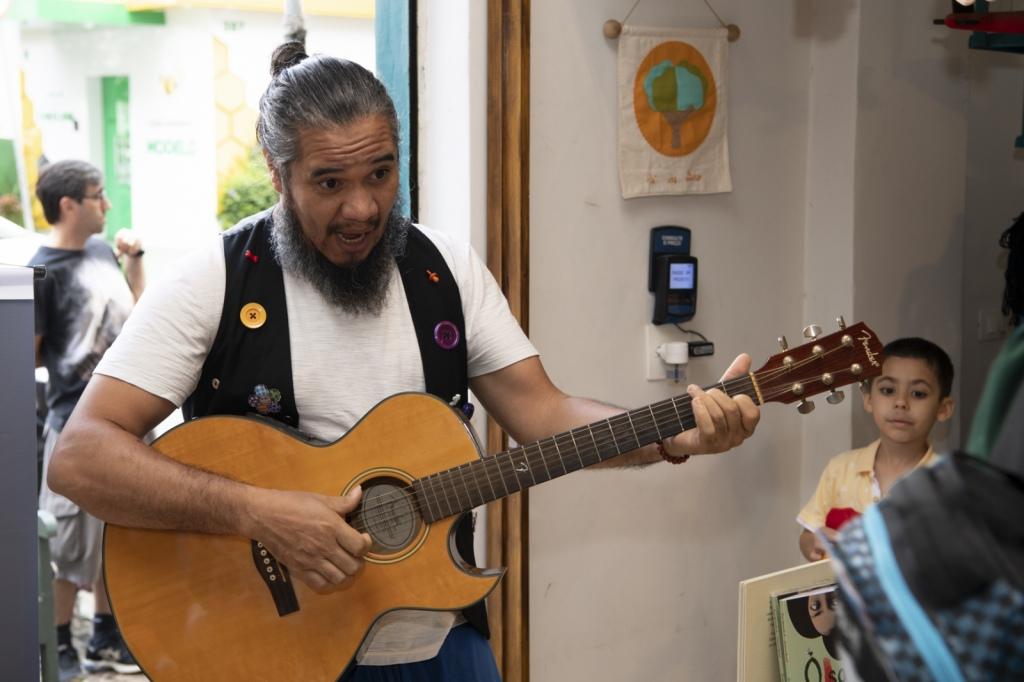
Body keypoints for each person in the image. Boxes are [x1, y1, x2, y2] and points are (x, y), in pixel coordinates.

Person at [46, 43, 761, 680]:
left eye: (382, 174)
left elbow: (544, 411)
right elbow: (80, 457)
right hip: (271, 649)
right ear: (277, 171)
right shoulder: (219, 279)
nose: (362, 208)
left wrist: (672, 434)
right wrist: (261, 513)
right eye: (329, 183)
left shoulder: (442, 268)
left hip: (440, 642)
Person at [30, 159, 145, 679]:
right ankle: (55, 647)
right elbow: (27, 355)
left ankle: (105, 638)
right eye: (99, 195)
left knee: (115, 535)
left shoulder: (101, 251)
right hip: (73, 427)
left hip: (126, 422)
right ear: (69, 204)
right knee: (69, 546)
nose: (108, 204)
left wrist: (135, 259)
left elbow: (139, 315)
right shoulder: (42, 271)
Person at [797, 337, 955, 562]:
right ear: (869, 399)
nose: (901, 402)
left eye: (918, 394)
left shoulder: (947, 484)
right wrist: (813, 542)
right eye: (888, 390)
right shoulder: (840, 468)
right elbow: (808, 534)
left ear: (943, 408)